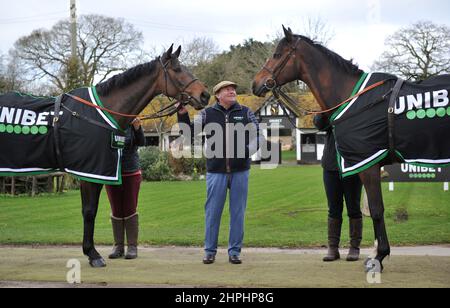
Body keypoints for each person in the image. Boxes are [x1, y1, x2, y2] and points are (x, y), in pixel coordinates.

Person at [177, 81, 263, 265]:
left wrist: (247, 151)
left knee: (238, 213)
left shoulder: (246, 112)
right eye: (227, 89)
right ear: (218, 95)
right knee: (212, 213)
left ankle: (234, 252)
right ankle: (209, 251)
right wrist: (182, 116)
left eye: (233, 89)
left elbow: (258, 136)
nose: (232, 91)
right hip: (216, 172)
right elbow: (188, 134)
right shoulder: (206, 114)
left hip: (241, 171)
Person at [314, 114, 363, 262]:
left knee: (353, 208)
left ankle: (354, 247)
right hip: (330, 165)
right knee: (333, 208)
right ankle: (333, 248)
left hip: (351, 165)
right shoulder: (329, 107)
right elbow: (319, 124)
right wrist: (325, 110)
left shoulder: (353, 107)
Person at [106, 118, 146, 260]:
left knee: (130, 209)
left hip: (131, 171)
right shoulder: (109, 122)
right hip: (112, 173)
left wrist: (137, 128)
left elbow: (141, 142)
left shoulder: (132, 123)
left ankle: (132, 247)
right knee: (116, 210)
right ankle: (118, 246)